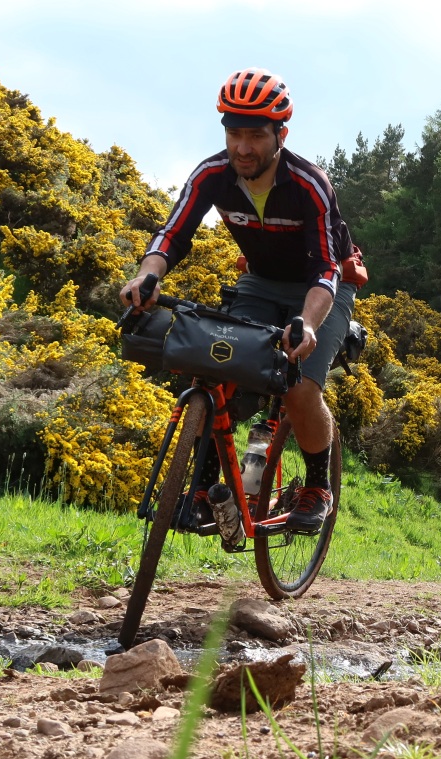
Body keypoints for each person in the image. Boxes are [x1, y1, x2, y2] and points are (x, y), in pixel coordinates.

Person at [120, 67, 358, 532]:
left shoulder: (310, 184)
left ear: (280, 135)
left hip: (323, 287)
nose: (242, 147)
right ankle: (206, 491)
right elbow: (173, 233)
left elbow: (328, 266)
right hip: (260, 280)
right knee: (220, 366)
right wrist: (147, 275)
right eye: (234, 134)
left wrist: (307, 324)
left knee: (300, 387)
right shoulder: (212, 174)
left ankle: (317, 487)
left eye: (255, 135)